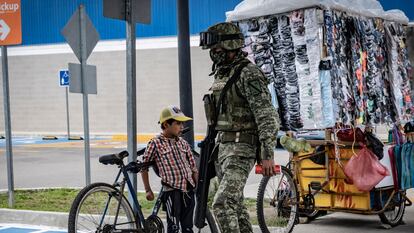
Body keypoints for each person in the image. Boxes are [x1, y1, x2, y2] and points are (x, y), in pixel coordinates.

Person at [199, 22, 280, 233]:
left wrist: (268, 154)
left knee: (223, 203)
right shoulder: (222, 73)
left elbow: (266, 115)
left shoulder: (248, 73)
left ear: (230, 46)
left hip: (242, 148)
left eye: (216, 49)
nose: (213, 54)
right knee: (236, 206)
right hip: (223, 148)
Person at [141, 106, 198, 233]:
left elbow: (193, 167)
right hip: (172, 191)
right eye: (178, 123)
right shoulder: (155, 143)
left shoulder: (183, 143)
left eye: (182, 123)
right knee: (174, 227)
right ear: (166, 124)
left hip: (188, 190)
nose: (182, 127)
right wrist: (147, 190)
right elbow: (144, 167)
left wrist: (197, 186)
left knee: (188, 227)